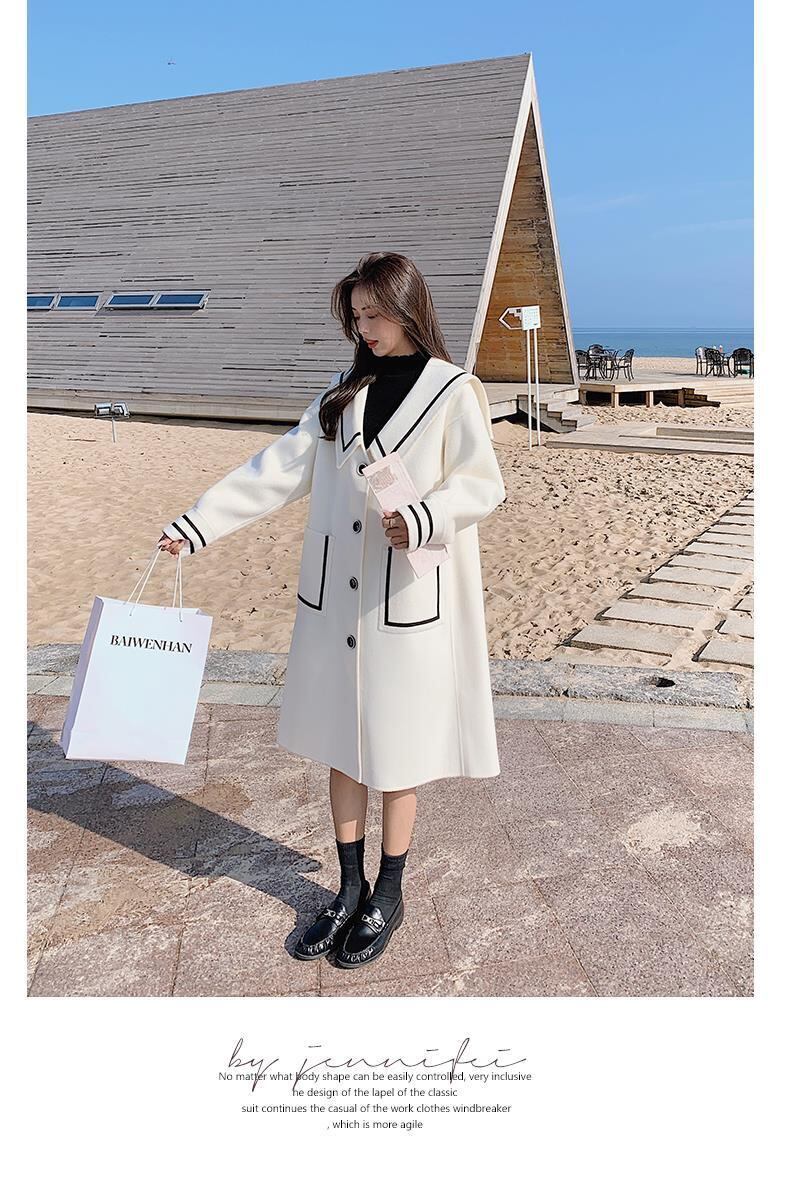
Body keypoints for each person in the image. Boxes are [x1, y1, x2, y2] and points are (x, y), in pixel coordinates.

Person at [158, 251, 506, 970]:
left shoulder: (452, 391)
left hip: (404, 599)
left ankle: (390, 892)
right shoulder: (343, 394)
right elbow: (276, 469)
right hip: (336, 604)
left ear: (408, 309)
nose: (364, 327)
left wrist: (424, 517)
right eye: (356, 316)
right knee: (342, 744)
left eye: (374, 313)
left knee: (398, 749)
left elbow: (482, 484)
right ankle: (349, 889)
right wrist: (197, 525)